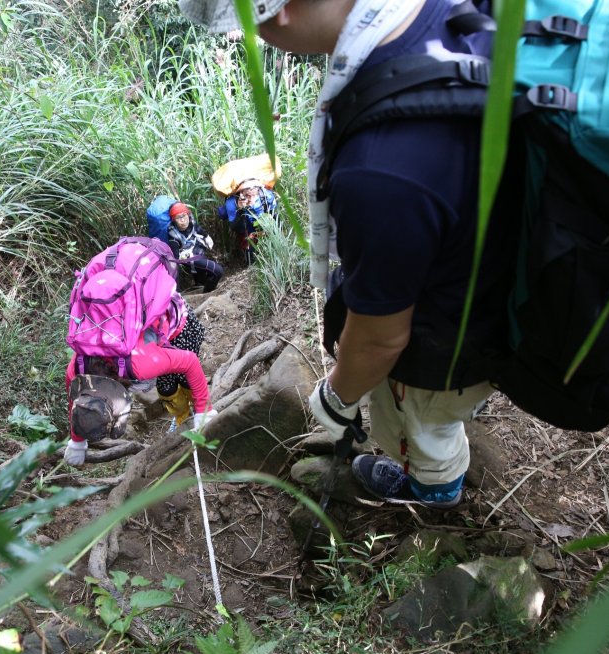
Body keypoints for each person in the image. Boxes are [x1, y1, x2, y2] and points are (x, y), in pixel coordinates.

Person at [180, 0, 514, 508]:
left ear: (279, 12)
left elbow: (380, 341)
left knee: (423, 427)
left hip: (448, 341)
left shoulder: (381, 165)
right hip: (491, 291)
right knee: (434, 416)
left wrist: (336, 398)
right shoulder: (441, 13)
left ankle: (433, 491)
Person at [64, 298, 218, 465]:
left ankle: (193, 413)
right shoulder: (78, 370)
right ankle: (182, 418)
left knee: (185, 380)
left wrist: (204, 411)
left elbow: (191, 362)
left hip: (177, 323)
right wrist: (77, 442)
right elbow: (77, 404)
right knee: (166, 388)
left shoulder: (139, 365)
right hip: (142, 330)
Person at [166, 202, 224, 293]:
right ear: (173, 220)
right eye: (178, 217)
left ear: (188, 215)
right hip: (188, 257)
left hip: (197, 251)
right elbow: (175, 263)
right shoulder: (173, 238)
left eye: (184, 216)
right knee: (218, 271)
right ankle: (208, 292)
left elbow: (198, 228)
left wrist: (206, 236)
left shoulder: (192, 222)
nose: (183, 220)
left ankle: (200, 285)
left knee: (202, 273)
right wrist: (175, 289)